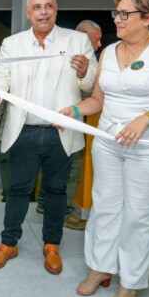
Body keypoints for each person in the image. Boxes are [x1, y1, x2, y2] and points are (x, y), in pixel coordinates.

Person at [58, 0, 149, 297]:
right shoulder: (108, 52)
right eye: (117, 13)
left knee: (139, 216)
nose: (117, 19)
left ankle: (130, 283)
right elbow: (97, 100)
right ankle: (100, 268)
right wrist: (72, 111)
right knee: (105, 209)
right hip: (109, 143)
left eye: (125, 14)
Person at [0, 0, 97, 275]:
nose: (43, 11)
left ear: (56, 9)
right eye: (37, 7)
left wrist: (85, 71)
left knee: (56, 191)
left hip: (60, 133)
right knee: (17, 190)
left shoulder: (78, 41)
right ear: (28, 13)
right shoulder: (12, 44)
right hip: (23, 131)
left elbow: (90, 87)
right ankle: (8, 243)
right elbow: (1, 79)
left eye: (48, 5)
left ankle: (51, 246)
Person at [37, 20, 103, 230]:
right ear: (82, 36)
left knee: (53, 168)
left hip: (69, 123)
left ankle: (43, 204)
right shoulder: (71, 59)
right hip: (63, 123)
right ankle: (64, 213)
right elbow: (89, 94)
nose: (99, 44)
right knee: (69, 169)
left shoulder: (87, 62)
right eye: (96, 39)